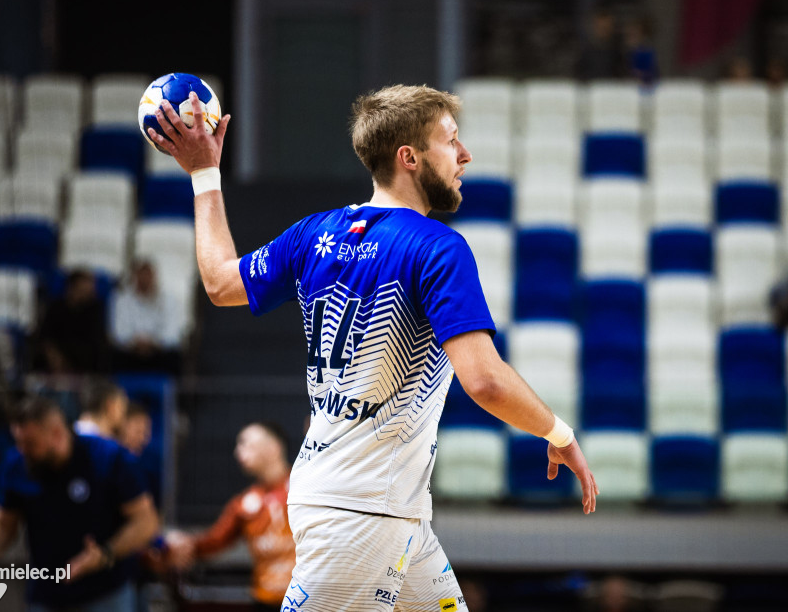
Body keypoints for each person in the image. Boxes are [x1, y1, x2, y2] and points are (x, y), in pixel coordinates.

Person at [147, 83, 597, 612]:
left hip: (387, 512)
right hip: (361, 517)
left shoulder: (314, 233)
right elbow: (485, 380)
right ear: (410, 158)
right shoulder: (437, 247)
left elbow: (222, 283)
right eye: (451, 141)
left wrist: (204, 175)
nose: (466, 155)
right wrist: (557, 432)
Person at [0, 396, 159, 612]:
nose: (23, 451)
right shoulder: (17, 465)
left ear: (57, 433)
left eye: (30, 443)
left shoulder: (107, 458)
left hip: (105, 593)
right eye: (18, 442)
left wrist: (106, 554)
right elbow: (2, 527)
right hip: (46, 593)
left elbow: (146, 522)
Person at [165, 422, 295, 611]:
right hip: (266, 601)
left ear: (274, 447)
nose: (238, 452)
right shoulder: (244, 504)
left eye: (246, 444)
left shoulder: (306, 490)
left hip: (308, 599)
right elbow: (215, 540)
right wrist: (184, 545)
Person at [110, 261, 184, 374]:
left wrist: (153, 343)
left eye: (148, 275)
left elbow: (172, 334)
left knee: (174, 357)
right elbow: (118, 333)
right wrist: (136, 343)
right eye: (141, 275)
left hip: (158, 353)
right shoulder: (121, 299)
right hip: (131, 353)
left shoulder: (169, 299)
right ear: (134, 277)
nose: (145, 280)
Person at [38, 270, 109, 374]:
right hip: (57, 360)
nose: (91, 291)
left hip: (85, 365)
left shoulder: (95, 309)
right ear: (73, 287)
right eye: (84, 289)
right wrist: (54, 357)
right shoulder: (55, 308)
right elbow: (45, 337)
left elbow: (98, 344)